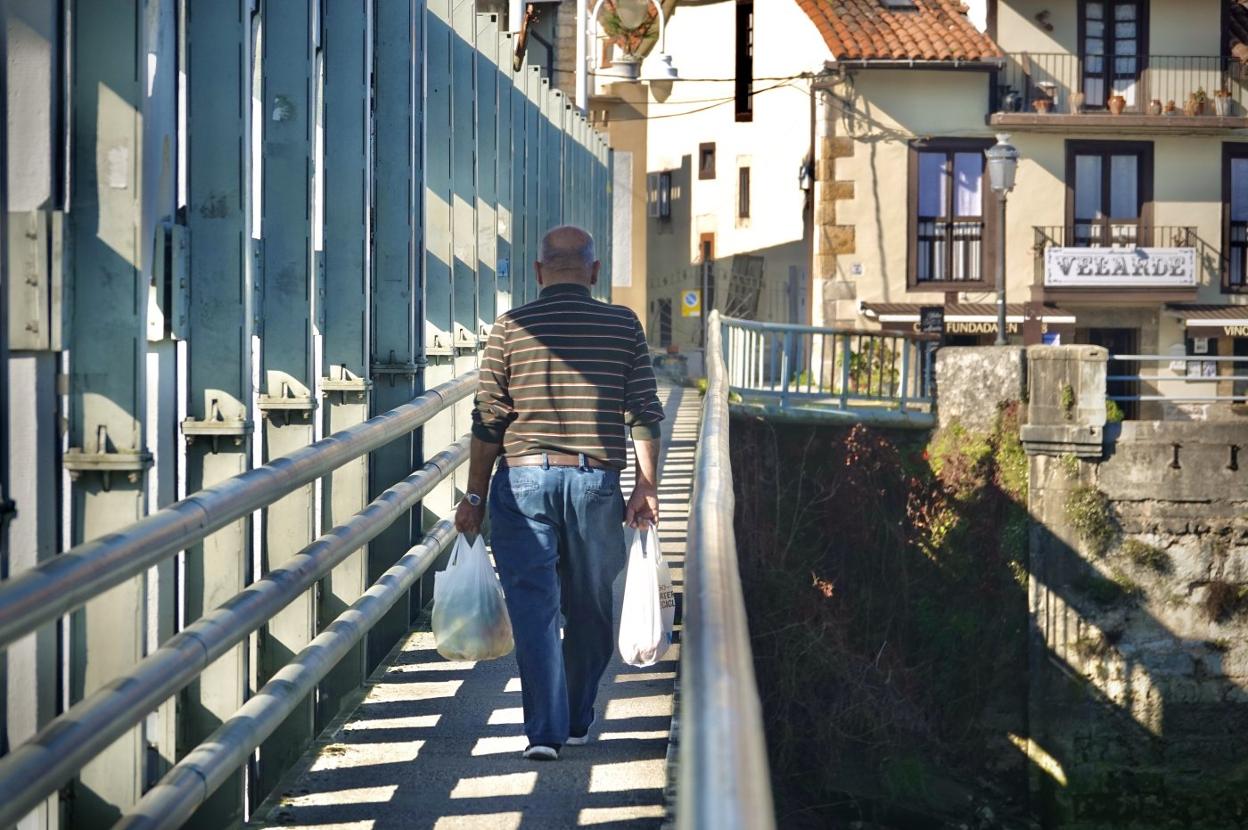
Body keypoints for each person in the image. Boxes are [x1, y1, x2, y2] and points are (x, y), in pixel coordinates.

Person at [454, 225, 664, 762]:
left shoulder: (509, 327)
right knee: (591, 606)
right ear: (594, 271)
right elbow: (643, 411)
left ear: (539, 271)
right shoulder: (622, 324)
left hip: (522, 480)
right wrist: (645, 487)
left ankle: (543, 733)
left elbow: (488, 422)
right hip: (596, 482)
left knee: (534, 608)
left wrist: (474, 498)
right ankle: (575, 718)